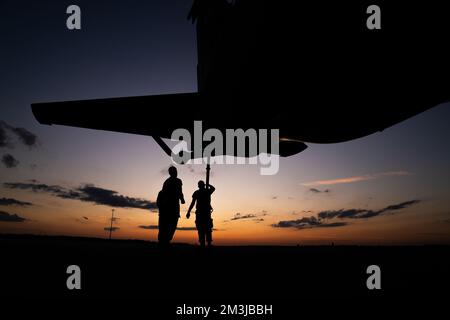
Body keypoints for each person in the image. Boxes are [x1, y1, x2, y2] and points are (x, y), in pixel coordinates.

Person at [156, 166, 185, 247]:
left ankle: (165, 242)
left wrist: (182, 199)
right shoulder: (175, 181)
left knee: (166, 225)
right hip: (170, 207)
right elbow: (179, 191)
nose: (176, 172)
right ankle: (164, 242)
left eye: (176, 171)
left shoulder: (168, 182)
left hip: (169, 207)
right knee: (169, 225)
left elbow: (179, 192)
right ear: (171, 172)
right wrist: (182, 199)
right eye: (174, 171)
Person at [186, 181, 215, 247]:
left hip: (206, 212)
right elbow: (193, 203)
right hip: (200, 213)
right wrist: (188, 212)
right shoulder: (198, 192)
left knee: (207, 229)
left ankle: (208, 244)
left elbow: (213, 188)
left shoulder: (207, 191)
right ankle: (203, 244)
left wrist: (208, 184)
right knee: (201, 229)